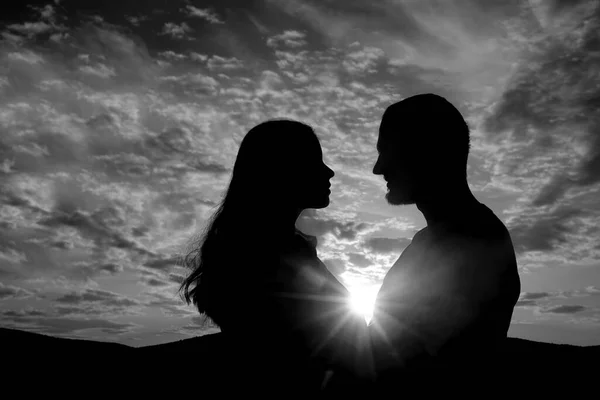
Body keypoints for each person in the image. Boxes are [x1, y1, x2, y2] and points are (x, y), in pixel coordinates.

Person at [178, 120, 368, 394]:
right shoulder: (265, 262)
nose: (329, 172)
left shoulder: (270, 252)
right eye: (315, 161)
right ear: (283, 170)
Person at [368, 94, 521, 392]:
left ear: (425, 151)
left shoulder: (476, 242)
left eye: (387, 151)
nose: (378, 167)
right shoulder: (432, 240)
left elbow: (414, 368)